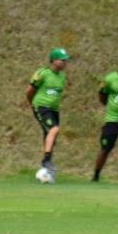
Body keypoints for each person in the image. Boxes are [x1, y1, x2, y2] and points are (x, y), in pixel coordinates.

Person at [25, 47, 69, 179]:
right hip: (42, 107)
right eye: (62, 60)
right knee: (54, 129)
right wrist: (34, 104)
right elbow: (29, 91)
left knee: (50, 137)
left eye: (66, 60)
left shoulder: (62, 76)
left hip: (54, 110)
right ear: (53, 60)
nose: (65, 62)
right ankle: (46, 161)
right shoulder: (42, 73)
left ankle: (45, 170)